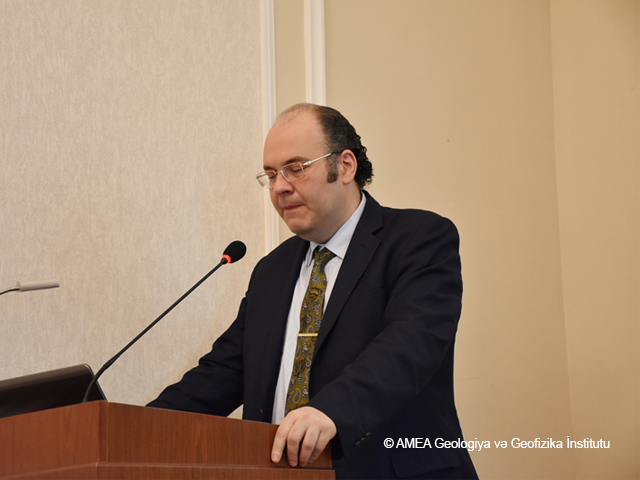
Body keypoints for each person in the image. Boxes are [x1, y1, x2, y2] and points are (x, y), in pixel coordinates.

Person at [148, 103, 478, 479]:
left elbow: (409, 347)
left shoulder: (418, 239)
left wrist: (329, 410)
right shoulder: (271, 271)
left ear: (346, 166)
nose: (280, 187)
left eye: (296, 168)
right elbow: (222, 373)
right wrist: (131, 427)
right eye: (271, 174)